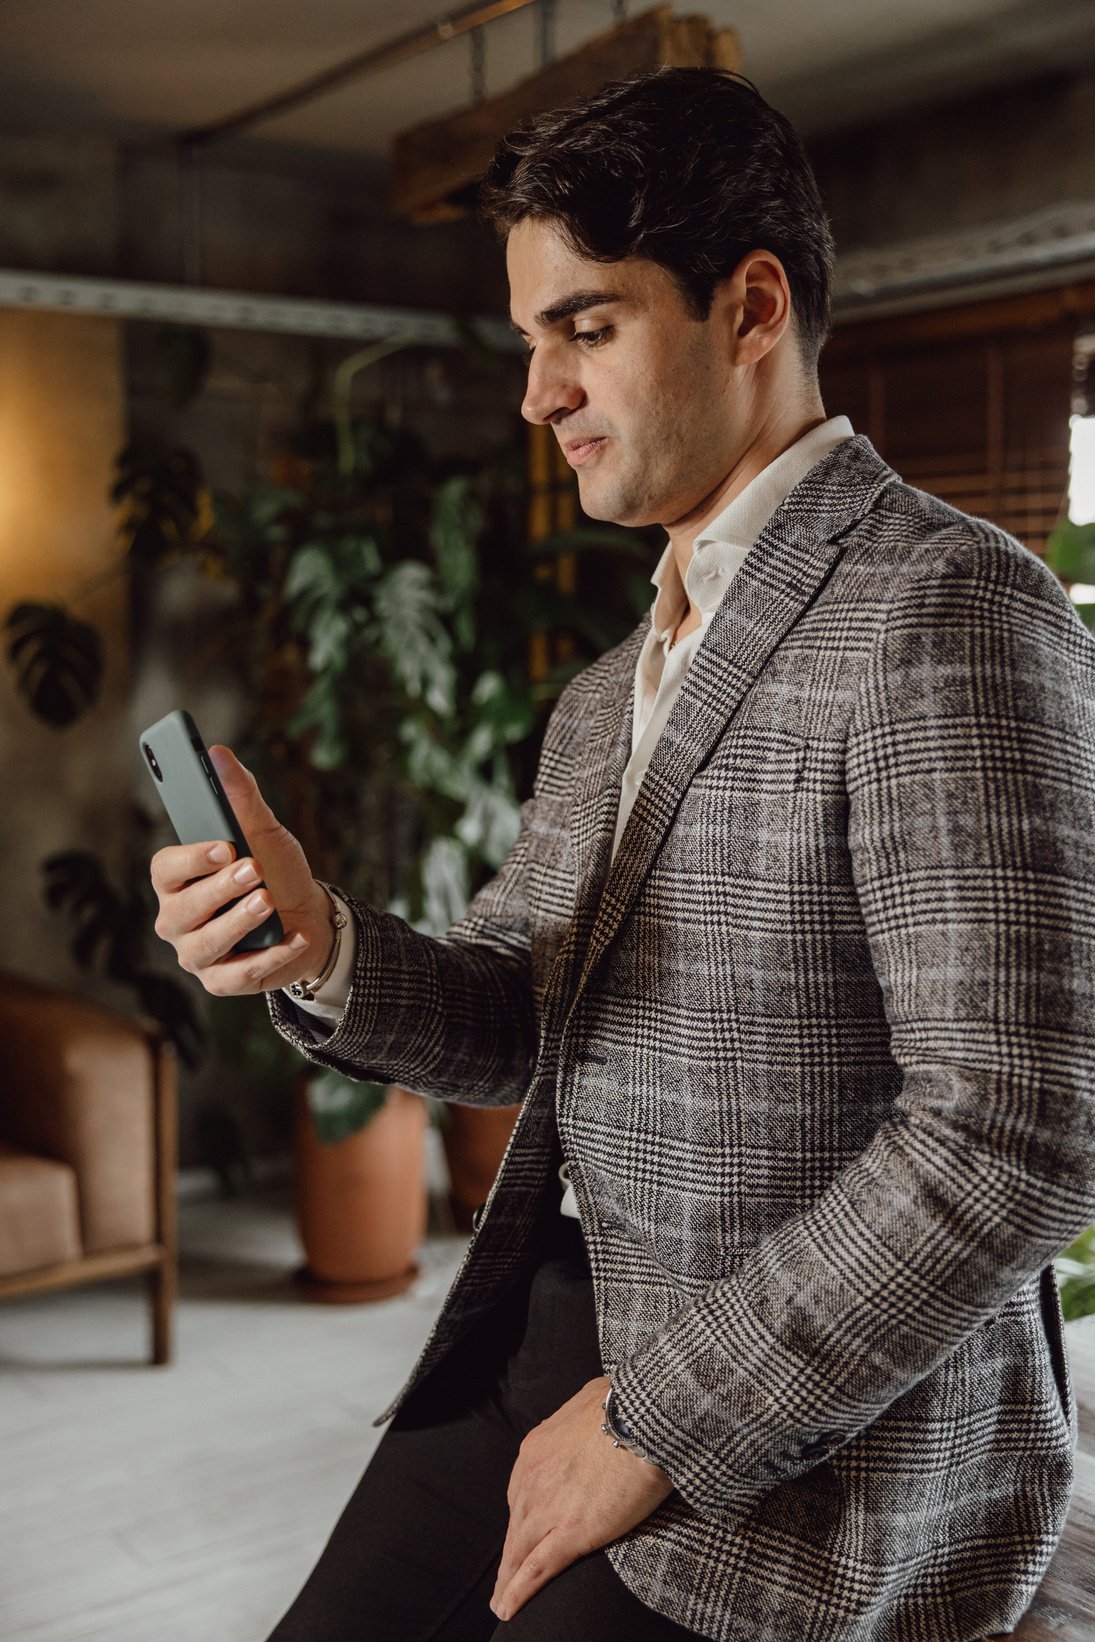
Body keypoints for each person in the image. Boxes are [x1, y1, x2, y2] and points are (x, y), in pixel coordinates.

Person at [149, 67, 1095, 1642]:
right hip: (550, 1324)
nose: (538, 394)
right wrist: (319, 943)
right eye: (533, 339)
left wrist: (657, 1420)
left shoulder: (948, 607)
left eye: (585, 328)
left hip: (795, 1448)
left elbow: (1016, 1129)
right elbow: (528, 1005)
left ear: (751, 308)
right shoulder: (611, 693)